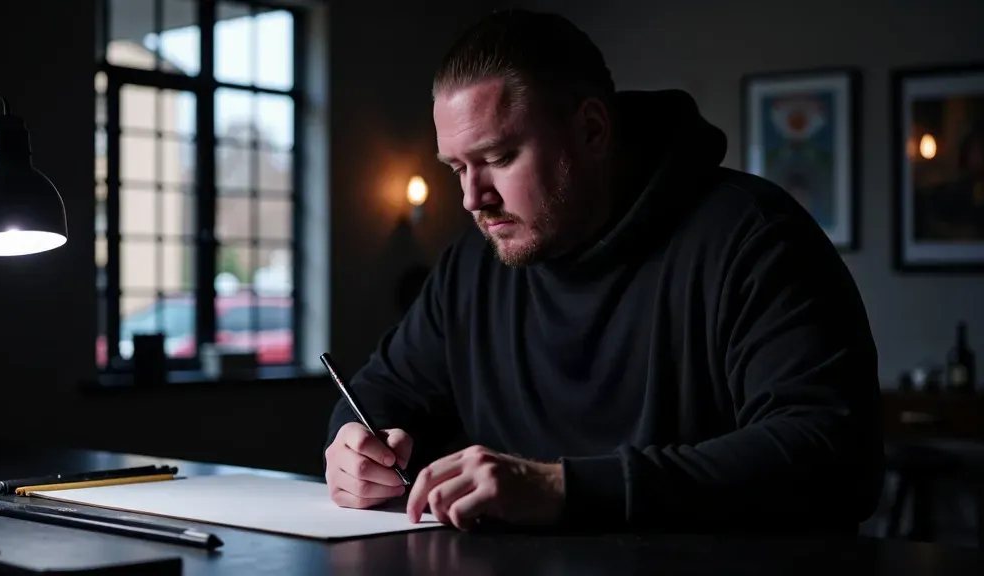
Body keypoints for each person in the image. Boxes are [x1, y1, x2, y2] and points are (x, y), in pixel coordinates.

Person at [323, 9, 884, 535]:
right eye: (457, 168)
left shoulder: (753, 237)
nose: (473, 198)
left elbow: (830, 454)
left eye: (497, 159)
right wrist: (353, 447)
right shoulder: (470, 268)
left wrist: (566, 488)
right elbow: (378, 393)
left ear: (592, 131)